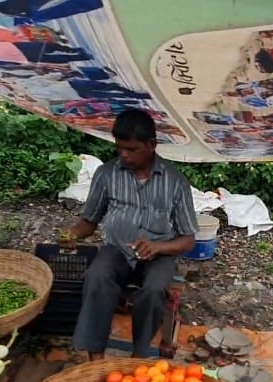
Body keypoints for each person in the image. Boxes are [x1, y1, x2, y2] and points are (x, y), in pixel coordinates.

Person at [60, 109, 198, 360]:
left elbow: (188, 239)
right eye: (120, 148)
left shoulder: (175, 182)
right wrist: (71, 234)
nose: (124, 155)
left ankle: (138, 355)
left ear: (152, 145)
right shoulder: (107, 174)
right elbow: (89, 222)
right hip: (117, 250)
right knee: (97, 276)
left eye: (132, 149)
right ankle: (95, 359)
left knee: (155, 289)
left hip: (158, 256)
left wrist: (157, 247)